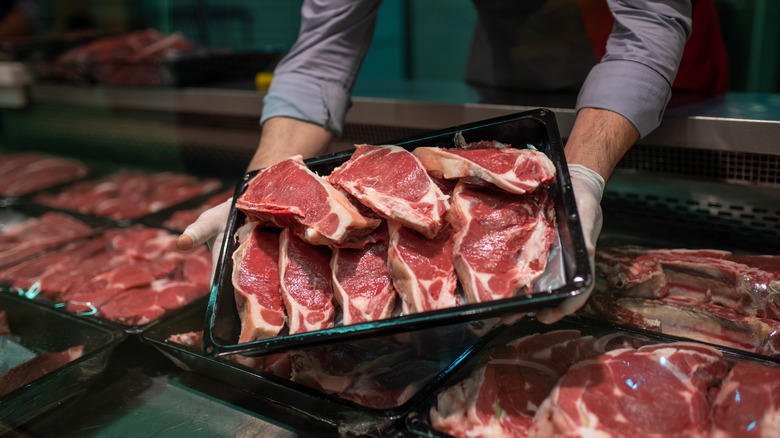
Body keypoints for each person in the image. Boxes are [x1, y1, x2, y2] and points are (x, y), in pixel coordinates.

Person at [175, 0, 728, 324]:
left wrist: (581, 177)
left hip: (652, 89)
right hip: (512, 63)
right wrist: (262, 188)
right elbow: (323, 54)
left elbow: (647, 32)